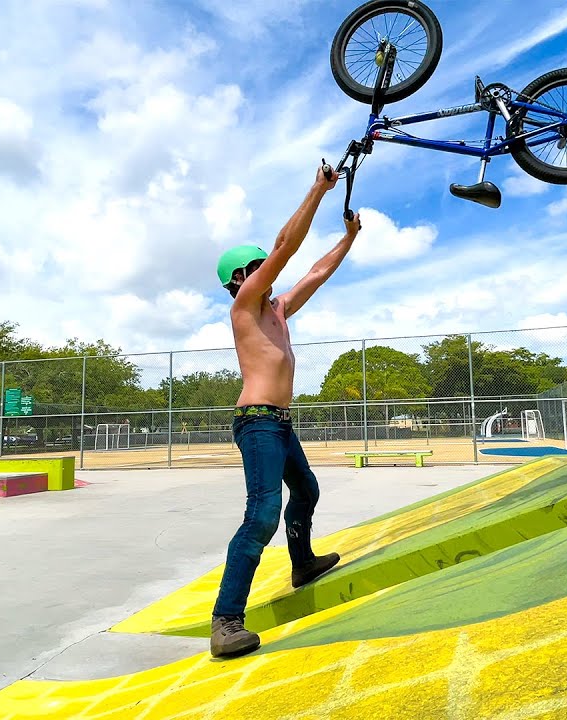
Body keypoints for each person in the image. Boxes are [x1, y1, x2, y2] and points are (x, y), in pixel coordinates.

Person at [209, 164, 362, 659]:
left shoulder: (276, 310)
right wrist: (318, 189)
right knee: (262, 515)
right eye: (256, 267)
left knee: (307, 490)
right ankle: (226, 621)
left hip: (278, 423)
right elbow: (286, 249)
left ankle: (302, 564)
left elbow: (314, 271)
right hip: (256, 423)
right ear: (239, 280)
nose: (266, 272)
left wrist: (349, 238)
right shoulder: (245, 306)